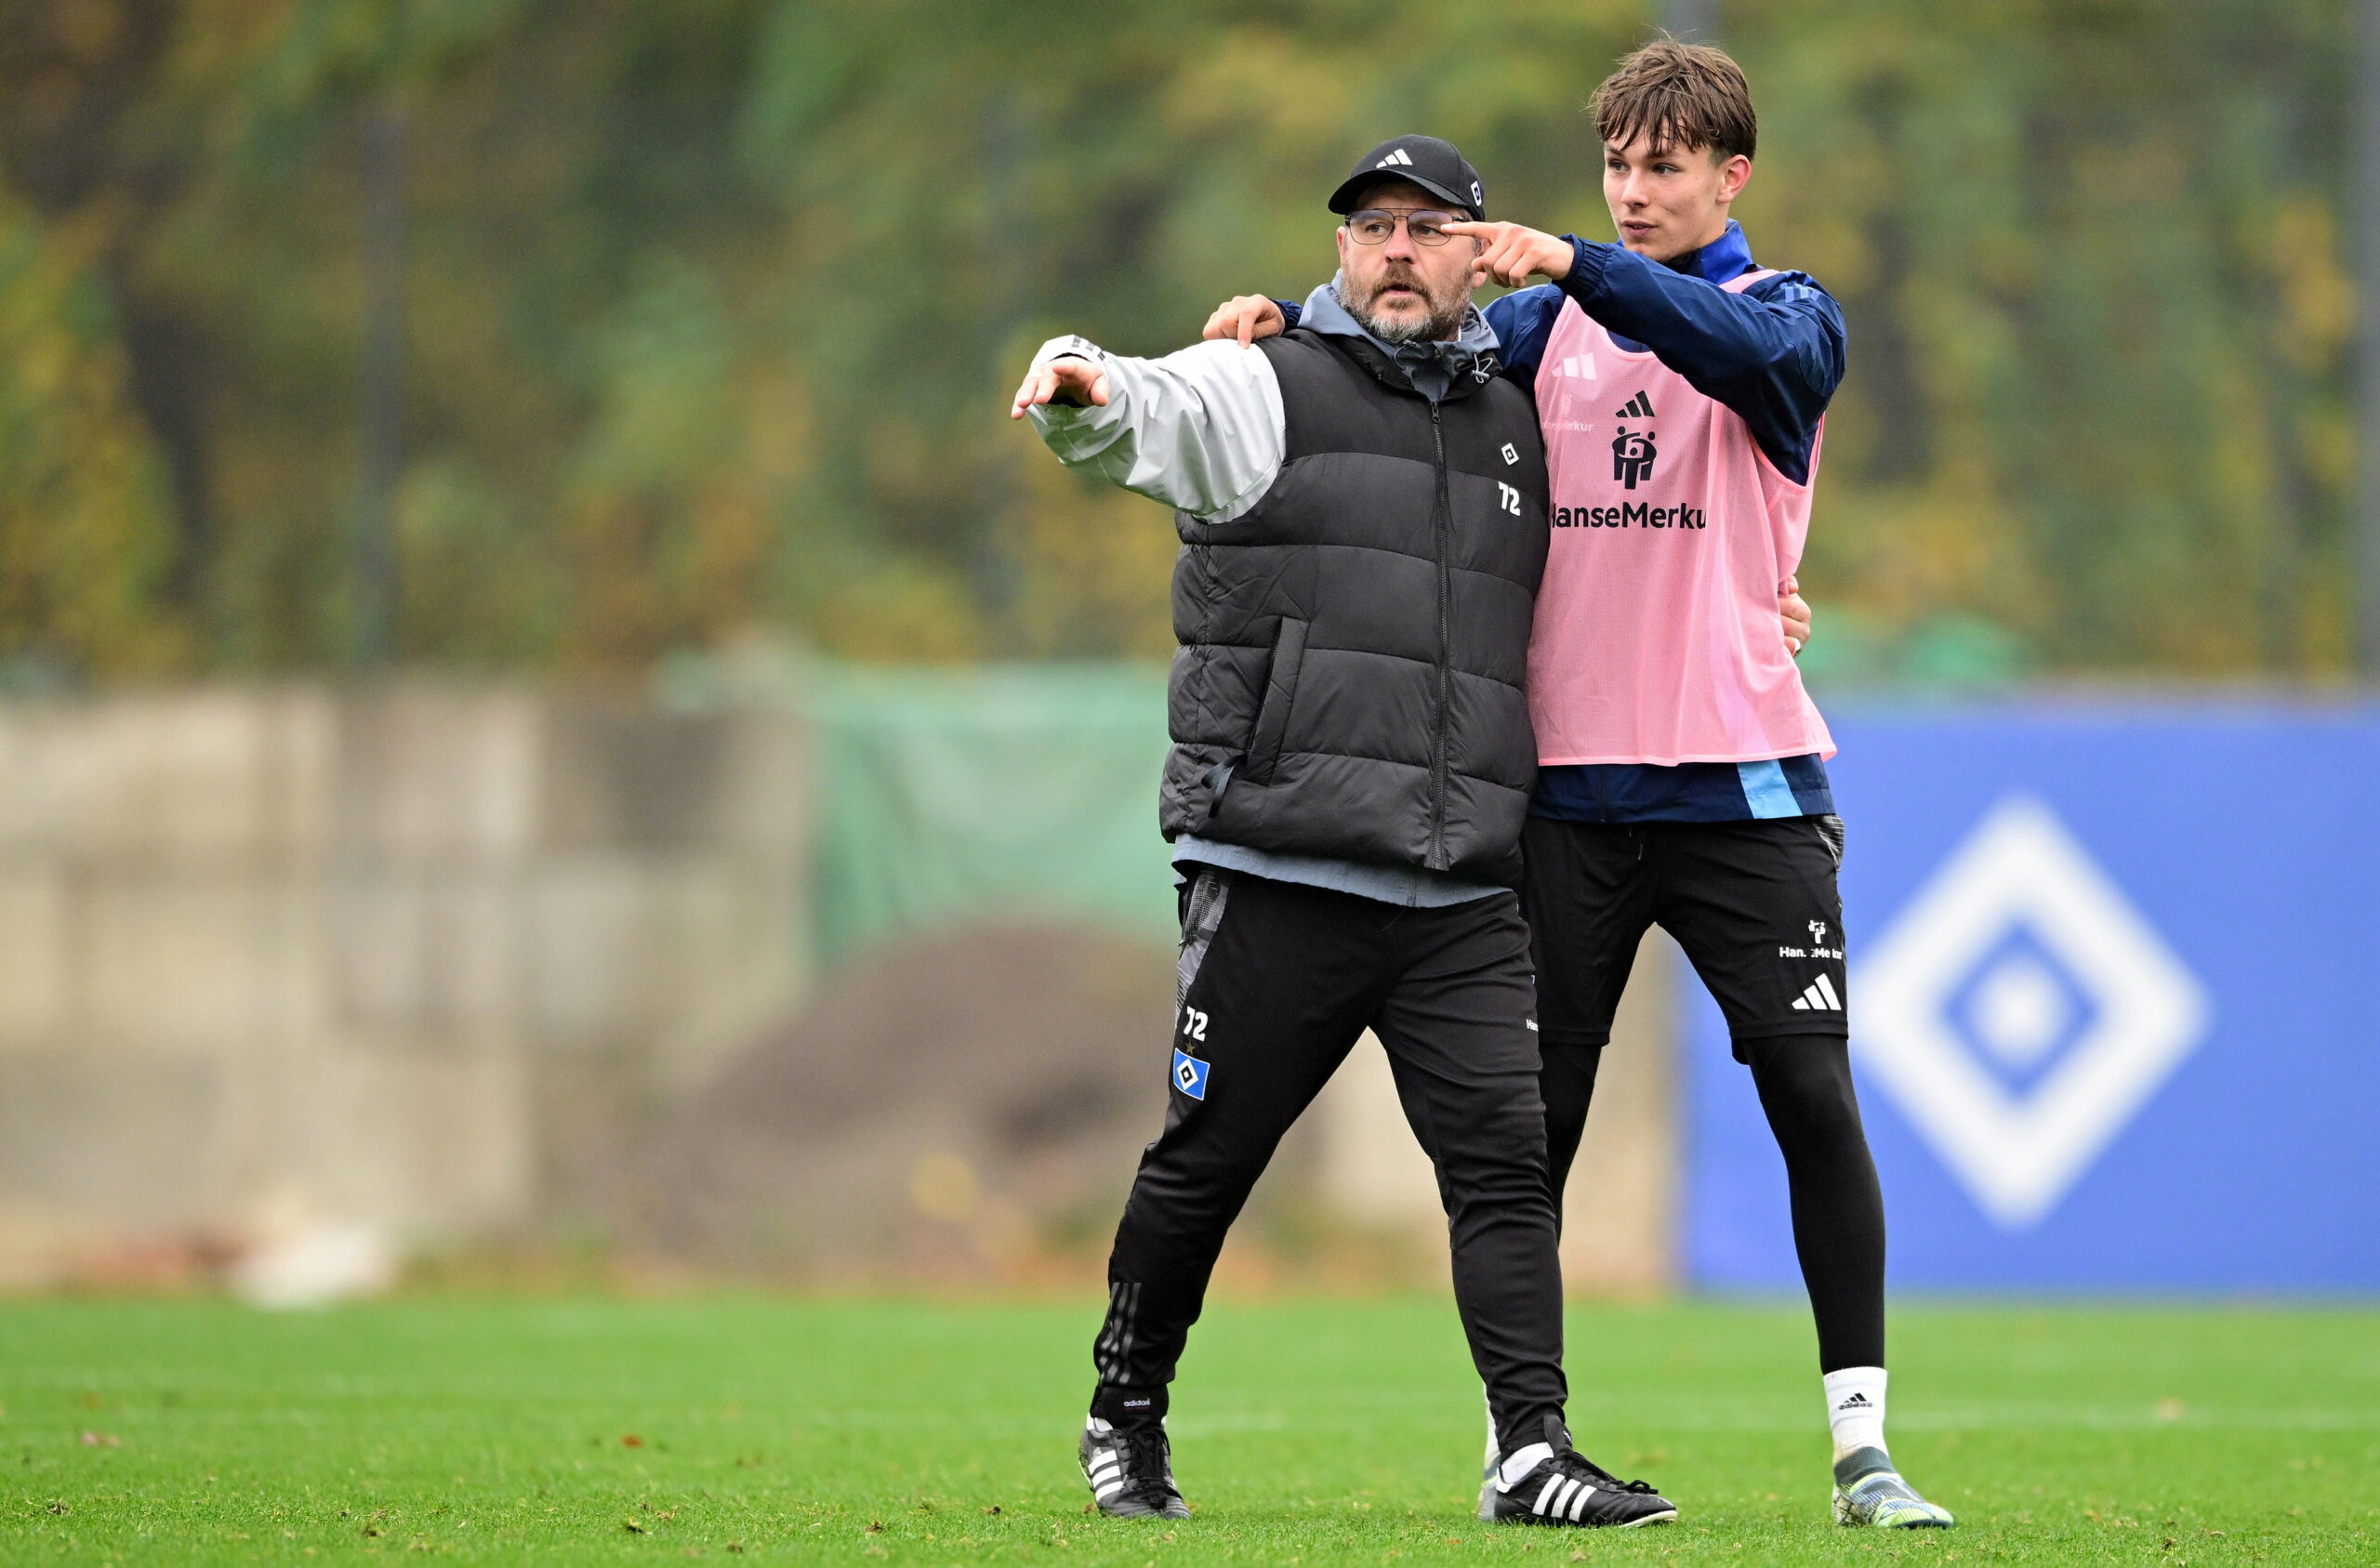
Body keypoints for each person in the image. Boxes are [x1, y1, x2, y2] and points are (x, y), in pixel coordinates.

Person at [1202, 42, 1954, 1530]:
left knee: (1810, 1089)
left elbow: (1747, 370)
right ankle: (1522, 1443)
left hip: (1748, 793)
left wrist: (1582, 259)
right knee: (1526, 1124)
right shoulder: (1541, 327)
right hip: (1561, 802)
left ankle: (1863, 1453)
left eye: (1666, 166)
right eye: (1619, 162)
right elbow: (1400, 346)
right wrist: (1286, 315)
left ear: (1731, 176)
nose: (1635, 187)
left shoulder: (1784, 315)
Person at [1010, 134, 1681, 1530]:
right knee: (1207, 1164)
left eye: (1427, 228)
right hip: (1282, 864)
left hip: (1460, 884)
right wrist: (1081, 378)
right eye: (1370, 225)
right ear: (1338, 251)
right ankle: (1121, 1415)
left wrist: (1758, 605)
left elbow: (1631, 535)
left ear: (1476, 255)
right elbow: (1145, 409)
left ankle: (1529, 1450)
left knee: (1506, 1169)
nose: (1394, 248)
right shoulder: (1266, 383)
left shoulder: (1517, 412)